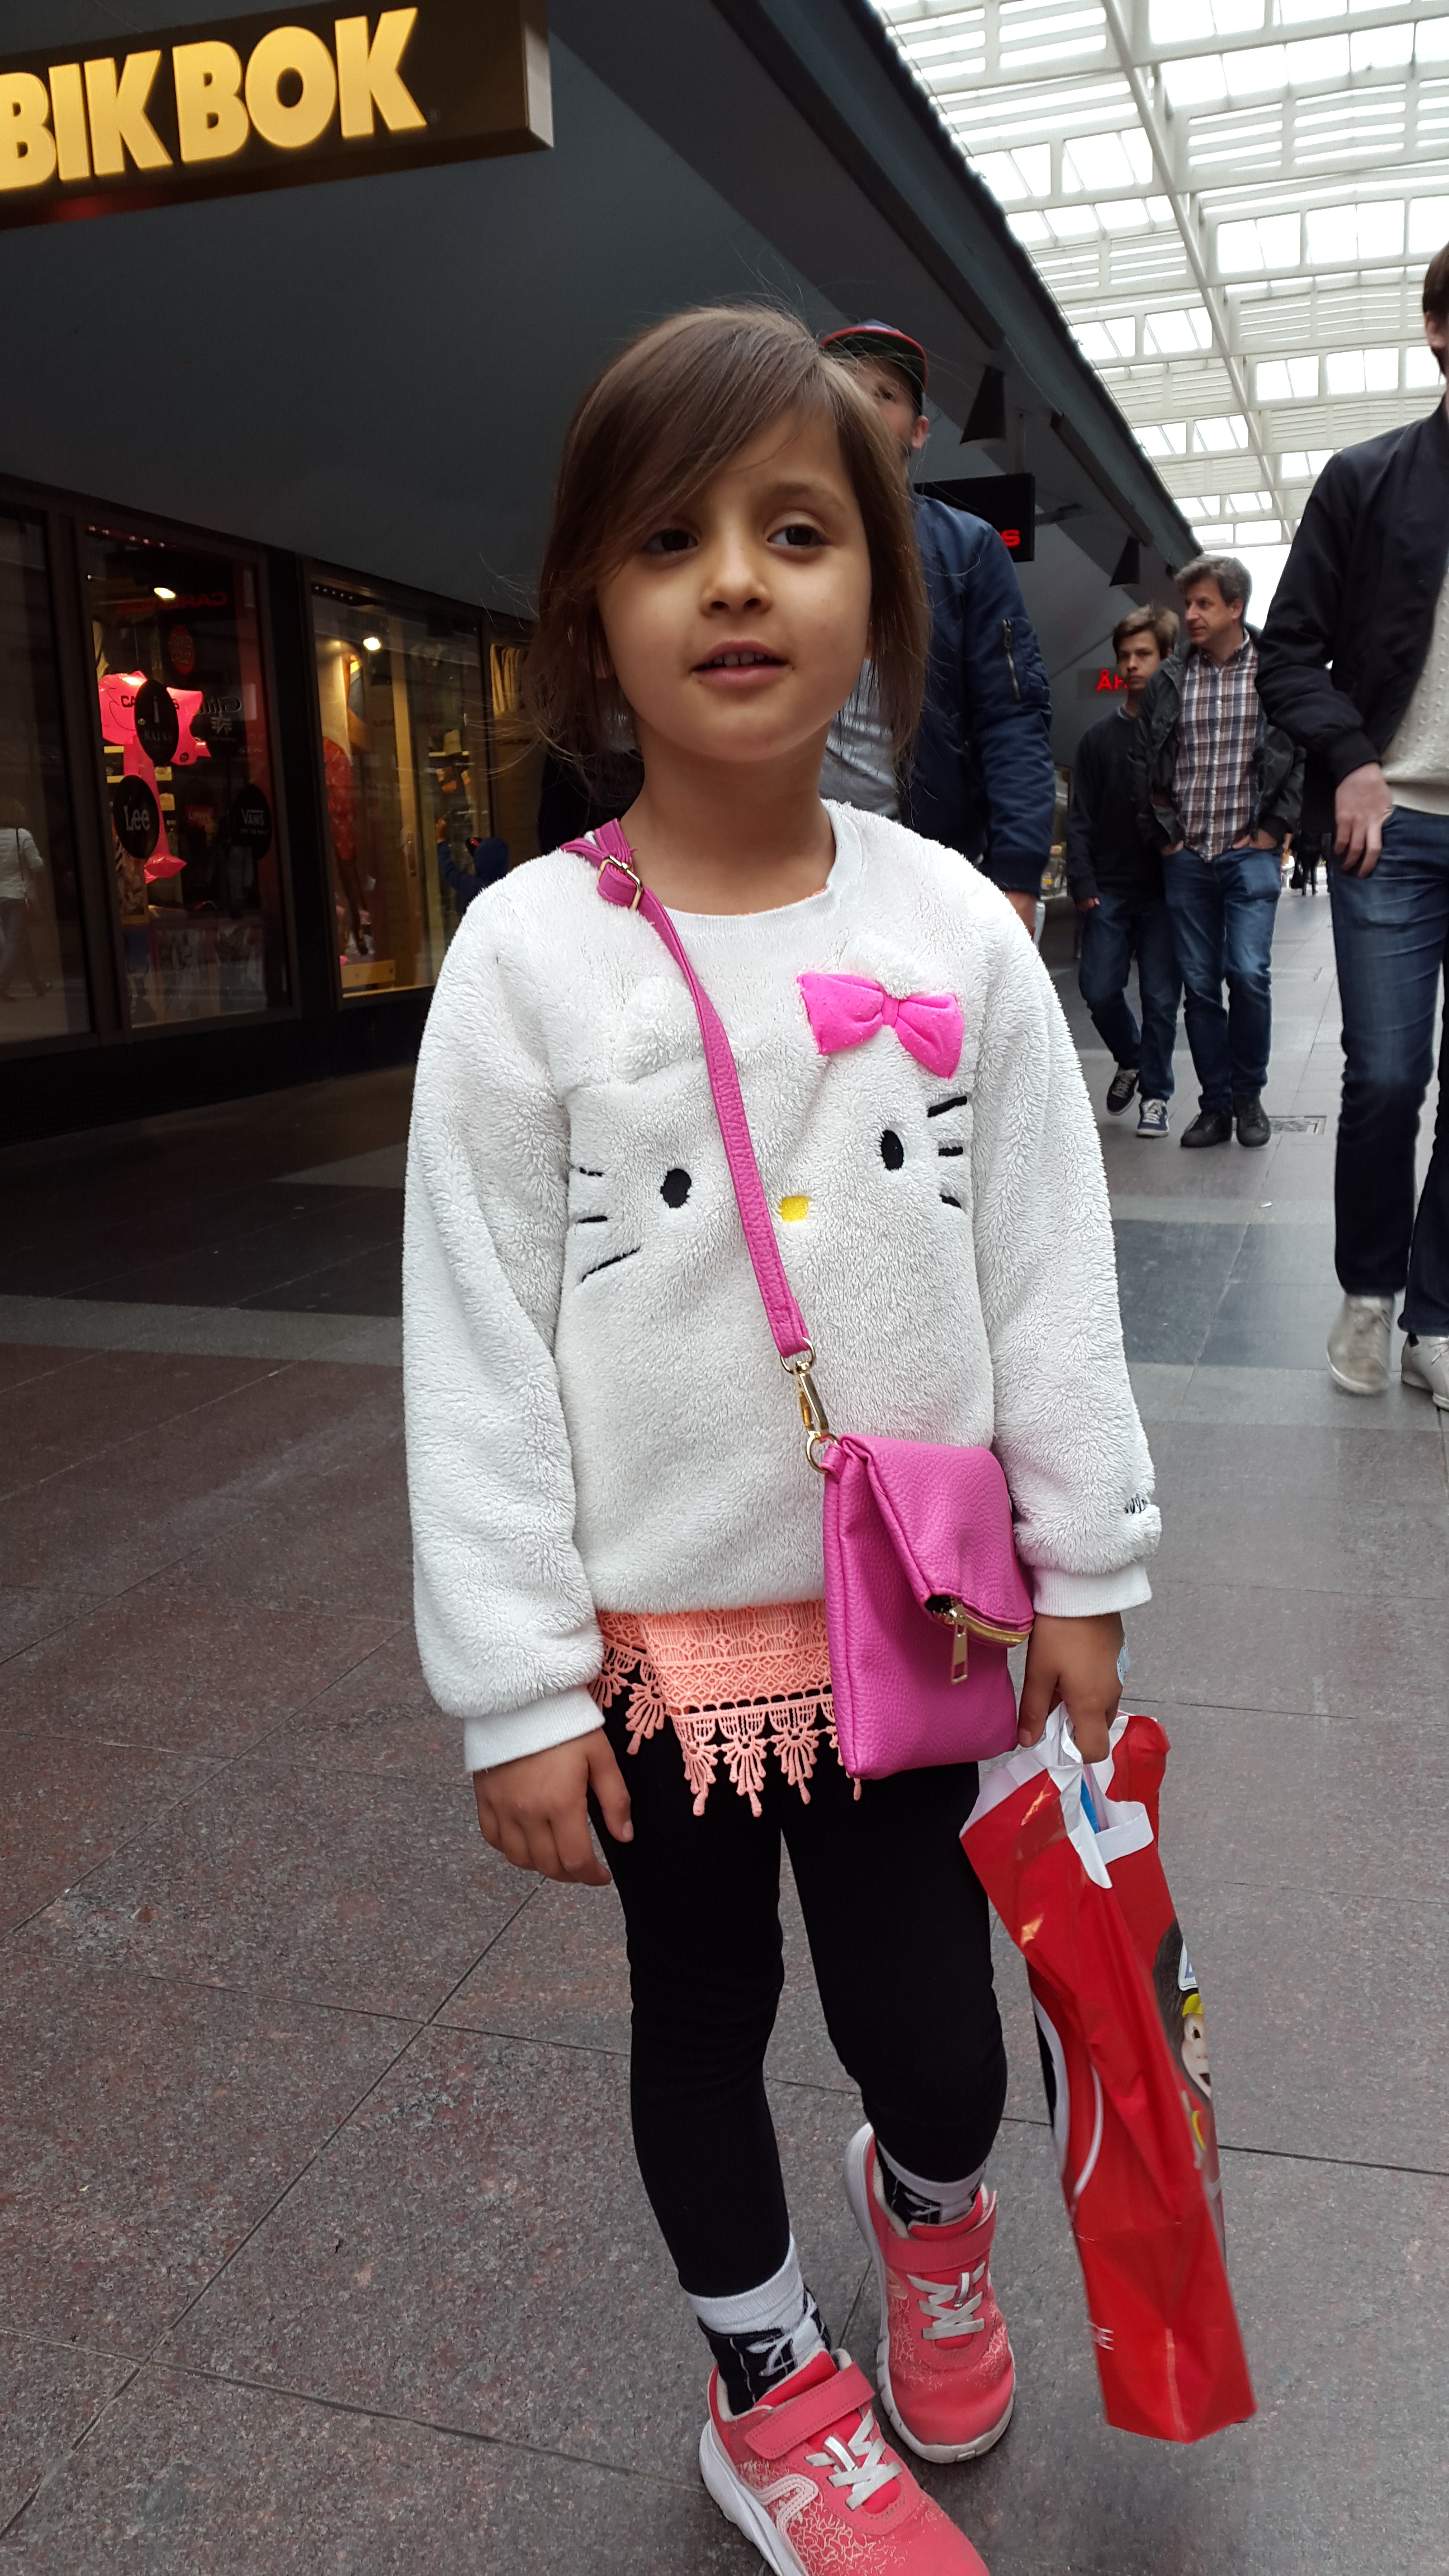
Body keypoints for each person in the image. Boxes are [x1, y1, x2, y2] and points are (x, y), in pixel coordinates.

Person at [402, 306, 1158, 2576]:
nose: (735, 579)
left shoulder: (956, 933)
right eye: (671, 539)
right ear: (586, 610)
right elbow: (476, 1336)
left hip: (916, 1624)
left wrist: (1091, 1564)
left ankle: (926, 2211)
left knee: (940, 2041)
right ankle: (768, 2387)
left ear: (880, 593)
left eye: (796, 531)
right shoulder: (526, 958)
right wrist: (516, 1686)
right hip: (662, 1652)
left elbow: (1046, 1268)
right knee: (701, 2012)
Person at [1258, 245, 1449, 1408]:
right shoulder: (1367, 480)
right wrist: (1354, 760)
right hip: (1397, 825)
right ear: (1438, 329)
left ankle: (1439, 1311)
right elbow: (1288, 651)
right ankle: (1370, 1288)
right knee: (1385, 1073)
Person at [818, 321, 1056, 931]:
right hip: (789, 864)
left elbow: (1012, 717)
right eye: (842, 388)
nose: (862, 405)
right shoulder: (770, 540)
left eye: (886, 394)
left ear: (919, 431)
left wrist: (1017, 876)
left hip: (922, 870)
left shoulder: (967, 548)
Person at [1132, 555, 1303, 1148]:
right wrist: (1166, 837)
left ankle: (1249, 1097)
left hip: (1250, 851)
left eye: (1204, 603)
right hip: (1188, 857)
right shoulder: (1170, 679)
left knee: (1248, 974)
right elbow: (1144, 761)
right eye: (1188, 604)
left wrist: (1275, 827)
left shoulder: (1273, 672)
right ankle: (1216, 1107)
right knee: (1201, 988)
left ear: (1236, 607)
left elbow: (1299, 752)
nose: (1191, 615)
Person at [1066, 605, 1182, 1137]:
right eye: (1125, 656)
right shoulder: (1097, 740)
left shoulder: (1178, 736)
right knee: (1098, 989)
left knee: (1161, 998)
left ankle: (1156, 1095)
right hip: (1108, 890)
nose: (1132, 665)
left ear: (1166, 659)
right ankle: (1131, 1057)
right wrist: (1082, 880)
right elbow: (1081, 816)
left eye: (1144, 655)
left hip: (1164, 891)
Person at [0, 798, 49, 1001]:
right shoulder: (22, 836)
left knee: (22, 940)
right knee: (14, 942)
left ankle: (38, 983)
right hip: (17, 896)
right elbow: (37, 865)